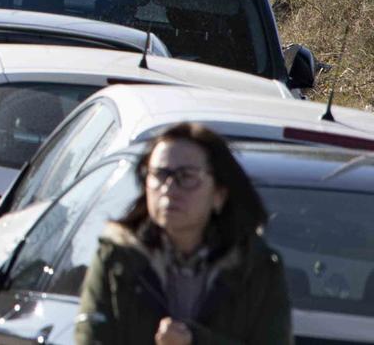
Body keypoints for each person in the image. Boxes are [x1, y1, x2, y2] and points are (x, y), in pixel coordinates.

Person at [76, 122, 292, 345]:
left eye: (186, 177)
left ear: (218, 194)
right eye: (160, 174)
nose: (169, 189)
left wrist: (194, 340)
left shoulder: (256, 269)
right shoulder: (117, 258)